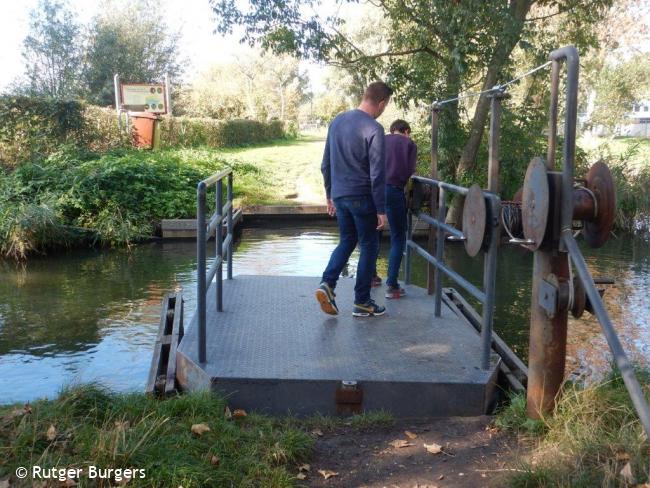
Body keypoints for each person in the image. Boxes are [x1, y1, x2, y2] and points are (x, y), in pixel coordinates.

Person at [315, 81, 393, 317]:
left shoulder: (337, 121)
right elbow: (377, 173)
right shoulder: (374, 129)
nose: (384, 110)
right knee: (369, 245)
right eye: (385, 105)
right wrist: (381, 208)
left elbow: (325, 163)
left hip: (339, 195)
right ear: (381, 103)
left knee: (347, 240)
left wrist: (330, 195)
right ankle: (362, 301)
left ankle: (327, 283)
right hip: (362, 196)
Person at [384, 119, 417, 299]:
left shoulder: (380, 139)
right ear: (405, 131)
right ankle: (392, 285)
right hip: (394, 190)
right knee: (398, 237)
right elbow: (410, 169)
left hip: (374, 191)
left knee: (372, 233)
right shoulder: (409, 144)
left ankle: (371, 277)